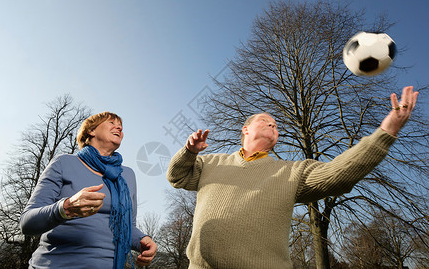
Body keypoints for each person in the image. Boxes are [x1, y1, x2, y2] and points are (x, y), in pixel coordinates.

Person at [167, 86, 418, 269]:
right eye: (266, 121)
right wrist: (189, 151)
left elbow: (338, 174)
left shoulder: (291, 172)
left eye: (276, 126)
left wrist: (387, 131)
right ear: (245, 130)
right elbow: (176, 177)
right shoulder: (210, 162)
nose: (273, 126)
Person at [20, 112, 157, 269]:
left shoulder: (127, 175)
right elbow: (27, 223)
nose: (118, 127)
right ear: (91, 130)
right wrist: (66, 208)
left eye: (121, 126)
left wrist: (143, 240)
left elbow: (128, 226)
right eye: (112, 123)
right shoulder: (64, 163)